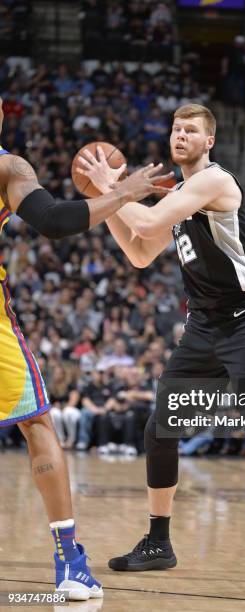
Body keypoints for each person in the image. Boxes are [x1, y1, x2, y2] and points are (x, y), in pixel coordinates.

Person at [80, 103, 245, 587]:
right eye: (176, 128)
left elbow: (151, 223)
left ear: (209, 141)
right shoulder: (179, 192)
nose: (180, 135)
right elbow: (139, 252)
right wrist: (108, 201)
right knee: (160, 429)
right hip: (203, 327)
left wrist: (111, 190)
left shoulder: (215, 182)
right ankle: (158, 541)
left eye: (191, 130)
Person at [0, 96, 172, 600]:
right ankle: (69, 561)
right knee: (36, 425)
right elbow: (54, 219)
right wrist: (127, 191)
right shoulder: (9, 166)